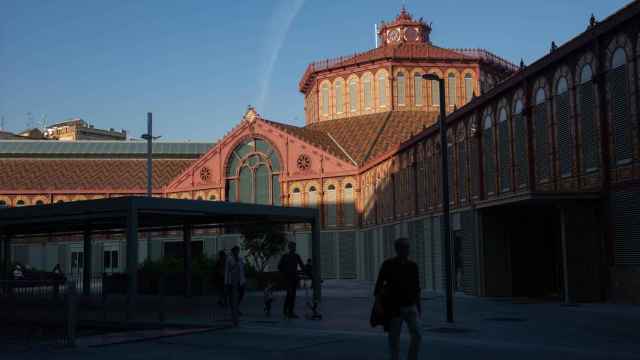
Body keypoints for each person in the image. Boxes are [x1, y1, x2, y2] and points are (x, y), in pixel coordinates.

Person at [374, 237, 422, 360]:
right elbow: (379, 285)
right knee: (394, 339)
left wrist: (419, 307)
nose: (407, 250)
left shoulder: (413, 266)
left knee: (417, 334)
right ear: (397, 249)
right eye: (404, 248)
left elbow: (417, 288)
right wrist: (379, 305)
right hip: (395, 308)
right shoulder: (388, 264)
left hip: (411, 306)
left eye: (408, 248)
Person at [278, 241, 304, 319]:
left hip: (294, 278)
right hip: (287, 278)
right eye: (292, 246)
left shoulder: (297, 256)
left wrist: (306, 273)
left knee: (291, 295)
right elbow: (279, 266)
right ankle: (288, 311)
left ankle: (287, 311)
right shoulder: (285, 256)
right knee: (290, 294)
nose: (294, 248)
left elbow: (302, 266)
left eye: (294, 247)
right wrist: (285, 272)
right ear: (289, 247)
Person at [225, 246, 246, 326]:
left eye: (238, 251)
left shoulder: (240, 258)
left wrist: (244, 280)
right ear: (233, 251)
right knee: (232, 296)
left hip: (240, 281)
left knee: (241, 294)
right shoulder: (229, 259)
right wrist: (226, 282)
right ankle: (234, 310)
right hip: (232, 281)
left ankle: (236, 307)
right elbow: (227, 270)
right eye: (236, 251)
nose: (237, 252)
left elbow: (242, 269)